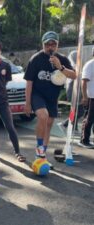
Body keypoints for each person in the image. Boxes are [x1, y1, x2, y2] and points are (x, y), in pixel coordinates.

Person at [24, 31, 76, 160]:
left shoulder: (62, 59)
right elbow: (29, 82)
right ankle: (39, 149)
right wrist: (27, 103)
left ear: (57, 45)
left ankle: (42, 156)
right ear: (43, 45)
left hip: (52, 97)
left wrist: (60, 67)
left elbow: (74, 76)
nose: (50, 47)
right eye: (47, 44)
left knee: (49, 124)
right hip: (38, 94)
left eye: (53, 44)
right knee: (43, 116)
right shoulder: (36, 59)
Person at [58, 50, 84, 134]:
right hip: (74, 92)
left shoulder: (76, 67)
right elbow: (70, 83)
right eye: (77, 56)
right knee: (79, 112)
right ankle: (64, 124)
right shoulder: (72, 67)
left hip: (76, 92)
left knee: (76, 111)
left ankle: (74, 128)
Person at [79, 48, 94, 148]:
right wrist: (84, 97)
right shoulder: (90, 64)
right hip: (91, 97)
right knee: (89, 119)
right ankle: (84, 140)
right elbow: (84, 81)